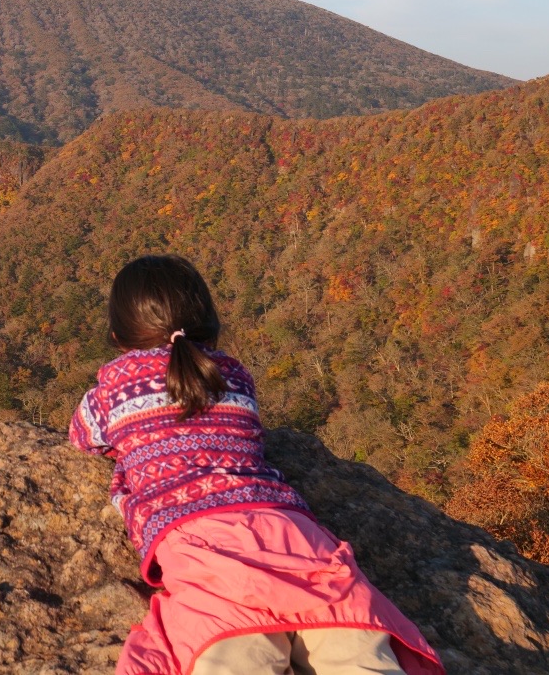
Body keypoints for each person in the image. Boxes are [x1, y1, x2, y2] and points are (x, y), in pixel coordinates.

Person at [69, 254, 445, 675]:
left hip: (199, 540)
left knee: (235, 651)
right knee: (355, 650)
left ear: (119, 335)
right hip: (289, 531)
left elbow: (82, 437)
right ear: (208, 322)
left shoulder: (112, 387)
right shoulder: (232, 373)